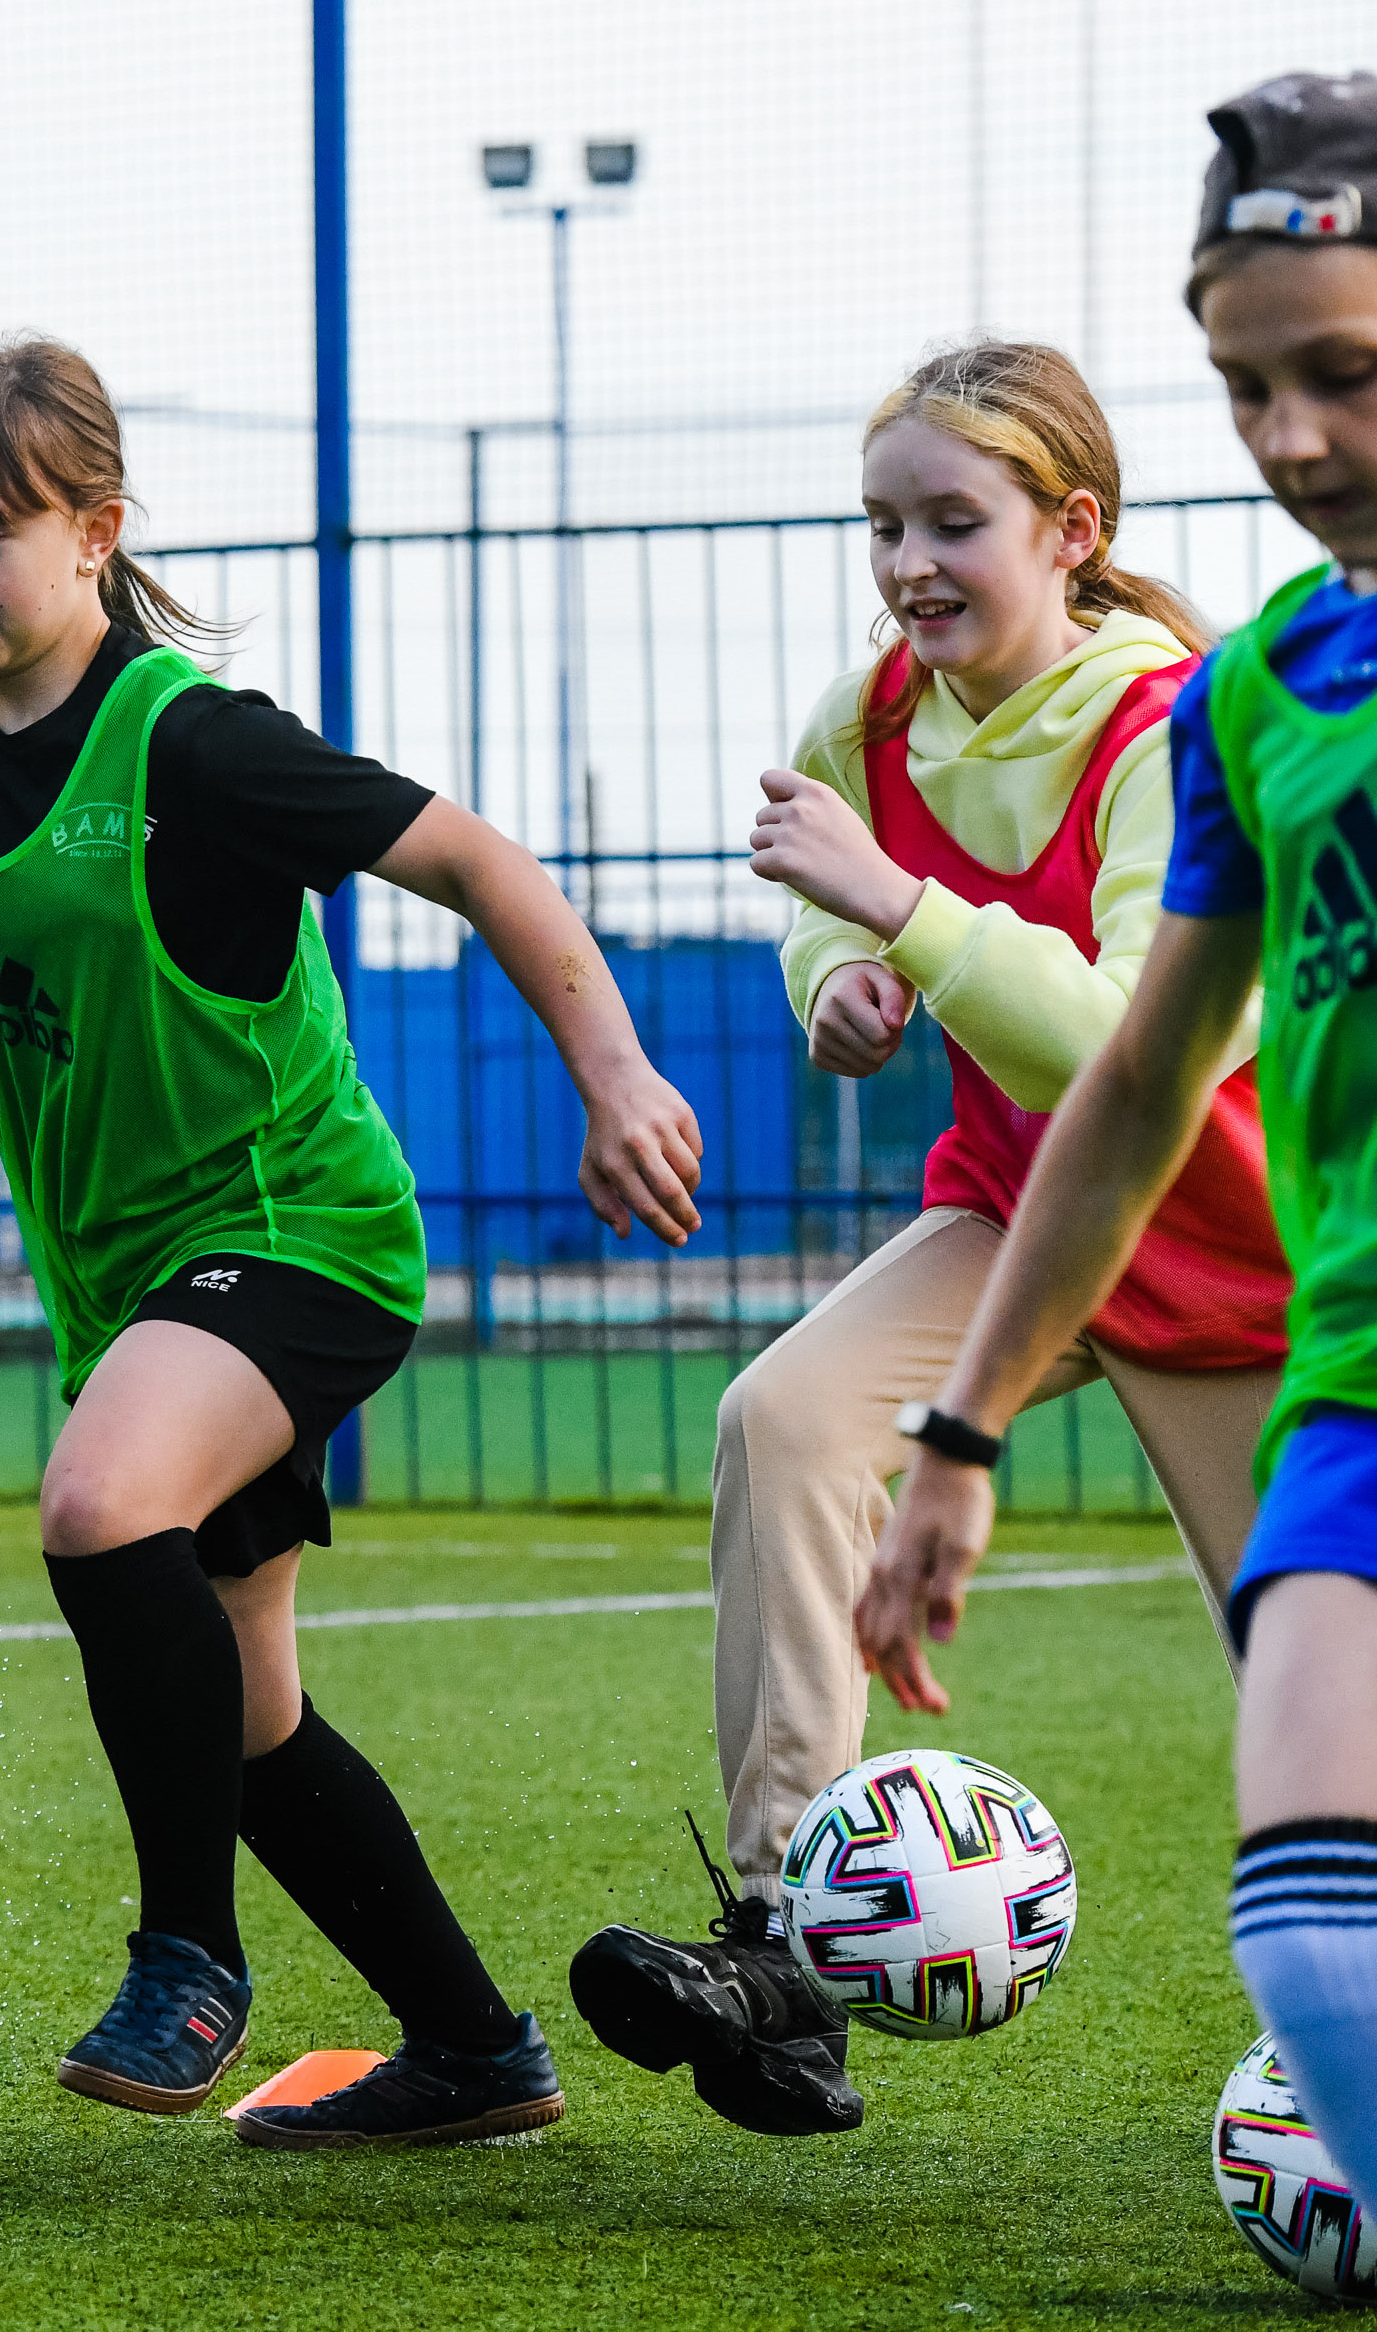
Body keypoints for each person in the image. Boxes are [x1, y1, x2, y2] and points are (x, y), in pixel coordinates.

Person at [0, 334, 709, 2149]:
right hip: (128, 1287)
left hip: (300, 1234)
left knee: (98, 1508)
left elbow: (480, 865)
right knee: (253, 1713)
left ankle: (188, 1956)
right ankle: (475, 2048)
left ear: (95, 532)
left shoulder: (194, 743)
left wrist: (617, 1075)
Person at [570, 343, 1279, 2141]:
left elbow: (1143, 1053)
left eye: (954, 522)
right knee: (788, 1422)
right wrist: (842, 984)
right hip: (1015, 1222)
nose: (909, 563)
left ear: (1075, 531)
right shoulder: (873, 716)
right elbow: (822, 923)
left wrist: (905, 910)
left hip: (1258, 1256)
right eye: (883, 524)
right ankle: (783, 1955)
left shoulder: (1174, 729)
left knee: (1310, 1675)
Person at [856, 69, 1377, 2200]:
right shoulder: (1263, 687)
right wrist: (963, 1436)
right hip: (1349, 1373)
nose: (1292, 441)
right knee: (1320, 1939)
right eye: (1247, 386)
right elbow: (1140, 1080)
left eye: (1341, 373)